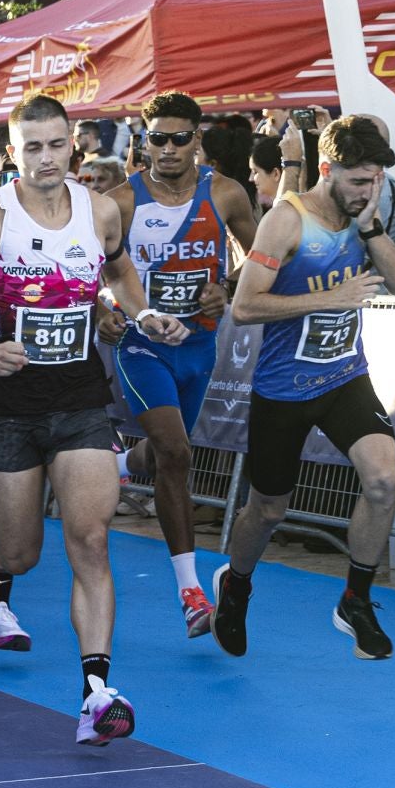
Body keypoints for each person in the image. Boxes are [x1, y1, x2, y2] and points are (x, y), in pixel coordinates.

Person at [0, 95, 188, 747]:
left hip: (79, 403)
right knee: (19, 553)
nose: (45, 158)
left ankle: (97, 693)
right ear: (17, 152)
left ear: (73, 143)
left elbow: (118, 269)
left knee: (91, 541)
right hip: (9, 410)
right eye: (32, 147)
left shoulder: (98, 210)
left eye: (55, 145)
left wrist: (142, 311)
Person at [214, 115, 395, 661]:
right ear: (327, 170)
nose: (368, 192)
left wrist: (372, 228)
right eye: (358, 181)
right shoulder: (288, 220)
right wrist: (331, 296)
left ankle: (356, 598)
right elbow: (246, 305)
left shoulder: (364, 216)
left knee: (382, 479)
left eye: (375, 180)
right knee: (268, 509)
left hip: (344, 377)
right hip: (283, 388)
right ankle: (236, 582)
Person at [98, 91, 259, 637]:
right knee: (176, 452)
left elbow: (260, 261)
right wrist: (105, 311)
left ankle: (119, 467)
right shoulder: (120, 201)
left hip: (199, 345)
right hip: (141, 346)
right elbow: (87, 274)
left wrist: (227, 289)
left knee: (165, 454)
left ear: (197, 140)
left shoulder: (228, 194)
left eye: (178, 138)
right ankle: (191, 592)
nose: (167, 149)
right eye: (156, 139)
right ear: (144, 141)